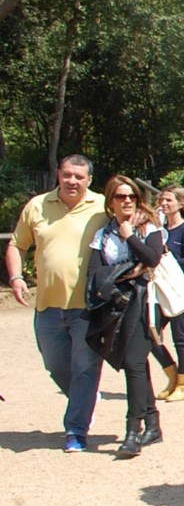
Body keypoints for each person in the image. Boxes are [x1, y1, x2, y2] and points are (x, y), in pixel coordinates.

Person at [6, 155, 108, 451]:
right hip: (47, 306)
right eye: (67, 175)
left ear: (89, 180)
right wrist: (16, 277)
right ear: (58, 176)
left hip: (89, 307)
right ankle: (86, 398)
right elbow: (16, 244)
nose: (72, 181)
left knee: (85, 368)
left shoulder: (103, 206)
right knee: (54, 365)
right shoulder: (38, 206)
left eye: (79, 176)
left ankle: (76, 431)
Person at [87, 177, 168, 458]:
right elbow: (95, 272)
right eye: (121, 196)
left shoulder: (149, 226)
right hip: (118, 304)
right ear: (111, 201)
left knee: (133, 362)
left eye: (131, 196)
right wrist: (129, 271)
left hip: (146, 303)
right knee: (135, 362)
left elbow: (152, 258)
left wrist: (129, 235)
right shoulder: (102, 234)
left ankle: (132, 431)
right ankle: (153, 423)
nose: (127, 201)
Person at [150, 185, 184, 404]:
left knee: (180, 337)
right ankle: (172, 375)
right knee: (150, 333)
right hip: (163, 290)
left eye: (168, 200)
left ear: (180, 204)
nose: (164, 204)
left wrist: (168, 261)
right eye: (162, 200)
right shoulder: (160, 229)